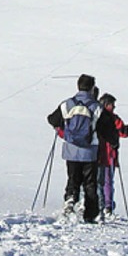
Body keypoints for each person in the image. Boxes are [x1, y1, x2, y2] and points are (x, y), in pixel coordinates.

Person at [47, 74, 118, 223]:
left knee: (73, 178)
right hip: (89, 151)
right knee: (89, 183)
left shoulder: (67, 104)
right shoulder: (96, 107)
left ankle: (70, 200)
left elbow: (52, 119)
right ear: (92, 88)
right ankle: (90, 214)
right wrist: (114, 142)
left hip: (70, 149)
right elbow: (108, 129)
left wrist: (64, 131)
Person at [96, 93, 128, 219]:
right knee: (107, 182)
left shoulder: (94, 116)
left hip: (93, 154)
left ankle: (96, 205)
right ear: (106, 104)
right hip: (108, 155)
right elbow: (124, 132)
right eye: (112, 105)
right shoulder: (113, 118)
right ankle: (107, 206)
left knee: (95, 181)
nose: (114, 107)